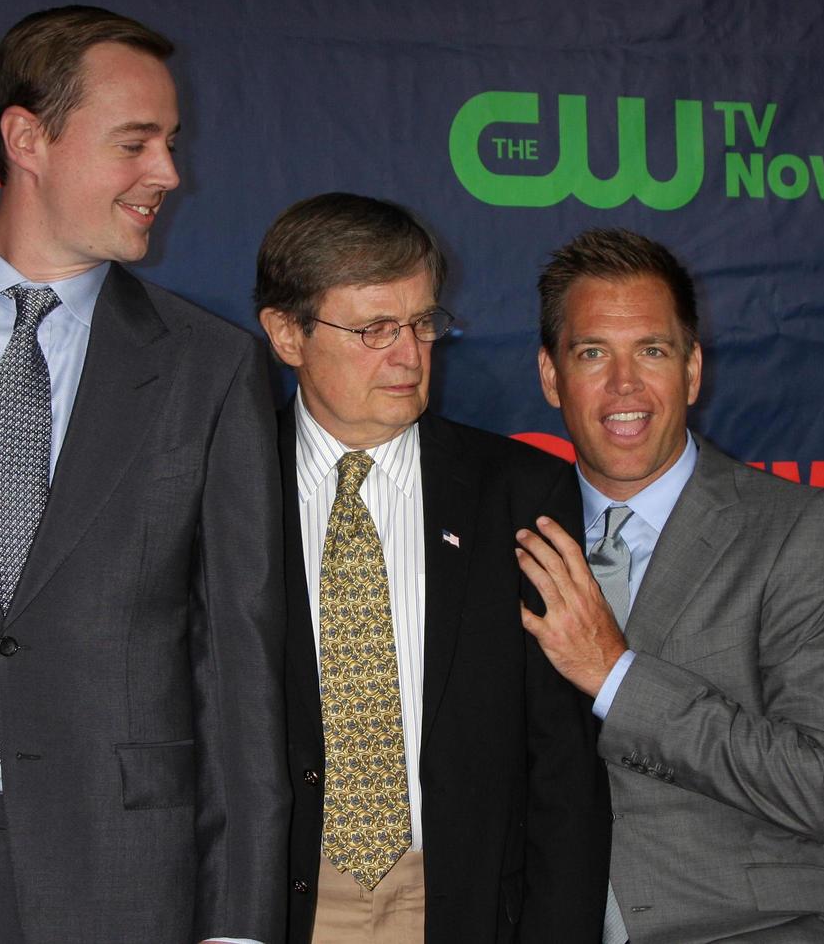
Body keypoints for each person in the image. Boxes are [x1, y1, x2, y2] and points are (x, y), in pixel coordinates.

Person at [0, 5, 286, 944]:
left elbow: (239, 668)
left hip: (129, 874)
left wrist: (238, 920)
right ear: (27, 136)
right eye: (135, 143)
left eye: (169, 143)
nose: (167, 174)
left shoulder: (211, 367)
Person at [254, 192, 609, 943]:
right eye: (374, 329)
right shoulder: (224, 486)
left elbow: (563, 765)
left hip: (460, 901)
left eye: (422, 323)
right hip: (277, 903)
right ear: (287, 334)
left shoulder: (518, 491)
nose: (410, 356)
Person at [517, 227, 824, 942]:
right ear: (552, 376)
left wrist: (614, 675)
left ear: (692, 371)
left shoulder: (798, 528)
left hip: (752, 927)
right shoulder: (502, 531)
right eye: (593, 353)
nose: (625, 385)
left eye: (651, 350)